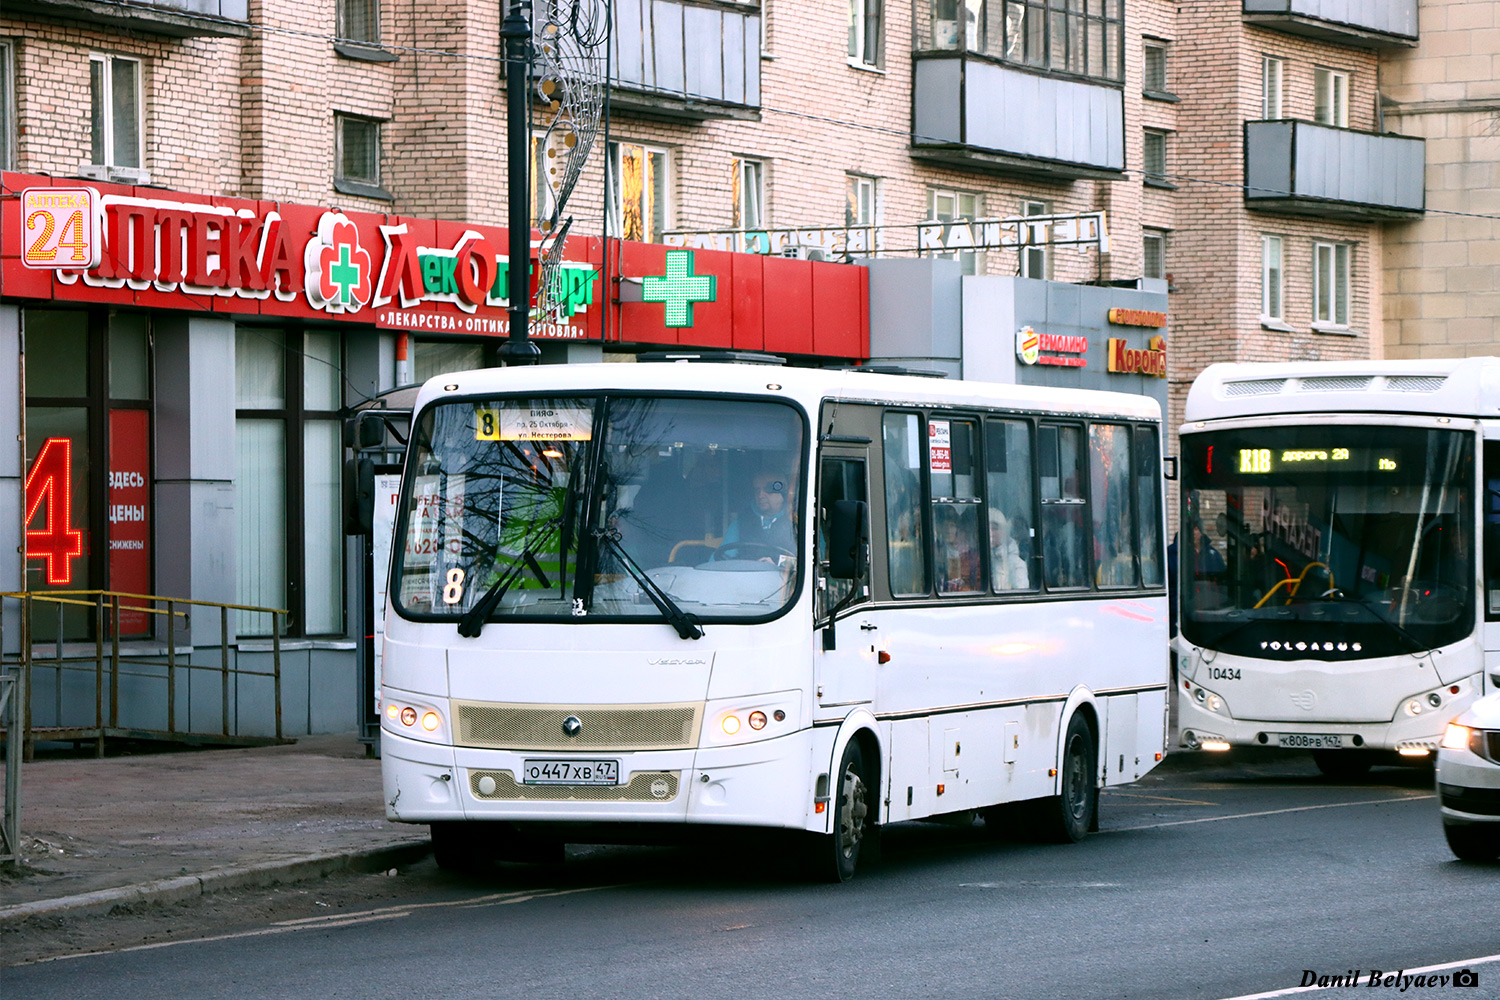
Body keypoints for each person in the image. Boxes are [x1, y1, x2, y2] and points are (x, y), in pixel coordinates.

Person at [723, 469, 795, 558]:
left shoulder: (798, 523)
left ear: (783, 491)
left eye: (768, 489)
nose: (761, 495)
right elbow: (721, 560)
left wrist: (778, 566)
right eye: (757, 490)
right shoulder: (740, 524)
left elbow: (805, 562)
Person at [936, 504, 981, 594]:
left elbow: (977, 585)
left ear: (957, 528)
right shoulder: (933, 553)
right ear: (938, 528)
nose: (948, 530)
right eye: (944, 526)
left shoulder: (971, 555)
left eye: (952, 525)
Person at [988, 508, 1030, 590]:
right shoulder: (978, 559)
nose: (990, 533)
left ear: (1003, 531)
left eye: (994, 529)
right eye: (987, 528)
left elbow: (1021, 597)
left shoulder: (1016, 563)